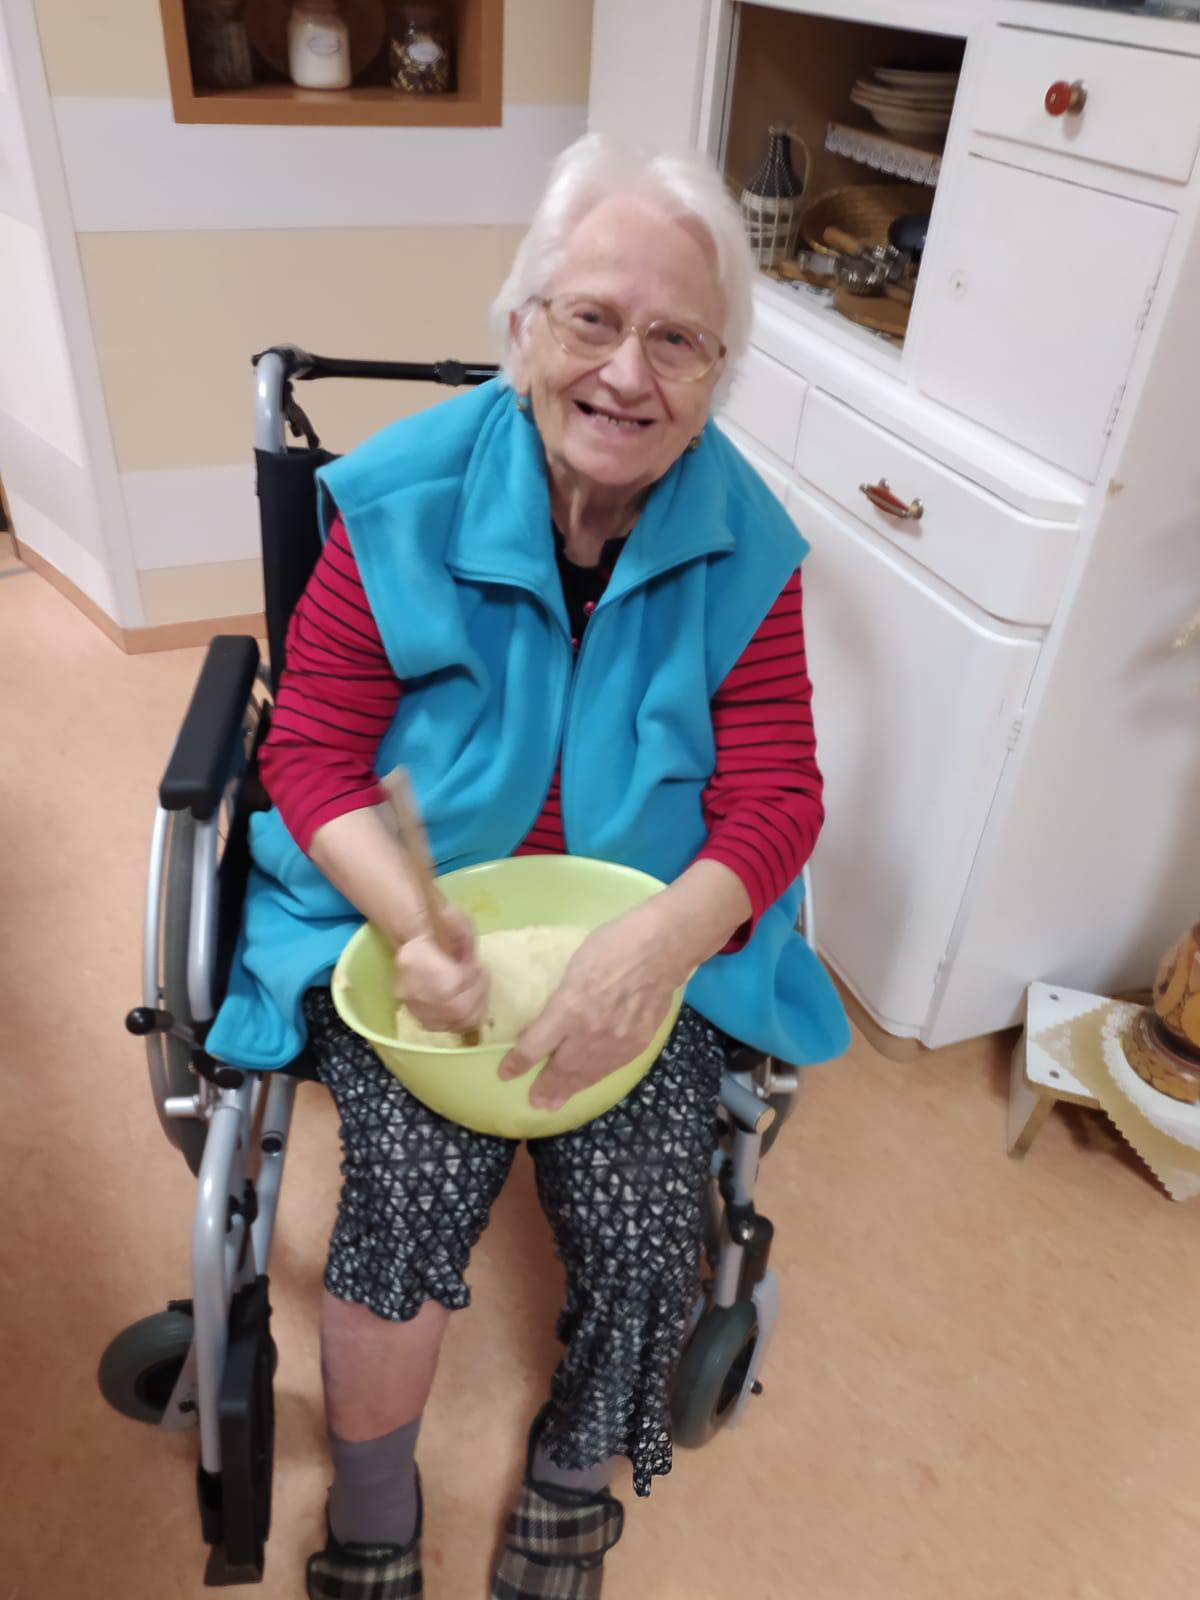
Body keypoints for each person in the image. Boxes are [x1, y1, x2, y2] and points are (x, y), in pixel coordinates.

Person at [207, 132, 849, 1600]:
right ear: (521, 328)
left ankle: (573, 1480)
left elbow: (778, 793)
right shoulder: (399, 499)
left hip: (641, 931)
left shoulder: (749, 547)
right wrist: (409, 923)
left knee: (647, 1221)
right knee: (405, 1195)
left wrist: (658, 948)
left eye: (679, 340)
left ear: (719, 375)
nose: (629, 373)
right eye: (592, 319)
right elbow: (310, 756)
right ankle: (376, 1514)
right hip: (414, 917)